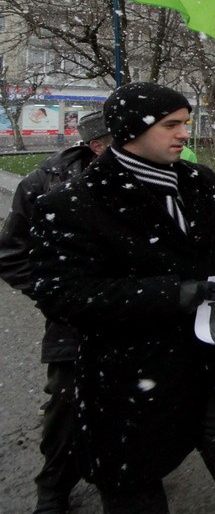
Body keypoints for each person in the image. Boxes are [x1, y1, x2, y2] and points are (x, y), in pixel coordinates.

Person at [28, 83, 215, 513]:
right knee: (135, 489)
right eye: (172, 125)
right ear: (131, 129)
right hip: (130, 375)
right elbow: (60, 293)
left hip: (208, 361)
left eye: (185, 123)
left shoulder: (197, 180)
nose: (184, 134)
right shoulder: (73, 202)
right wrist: (167, 294)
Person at [0, 112, 109, 513]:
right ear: (98, 145)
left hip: (134, 317)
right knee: (67, 407)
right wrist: (58, 296)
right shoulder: (44, 185)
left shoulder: (155, 176)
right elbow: (11, 255)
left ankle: (123, 473)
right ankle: (54, 489)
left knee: (131, 402)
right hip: (74, 326)